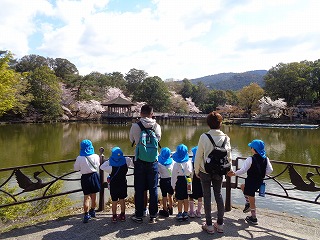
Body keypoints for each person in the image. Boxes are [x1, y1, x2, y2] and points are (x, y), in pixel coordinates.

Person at [194, 111, 232, 234]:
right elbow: (228, 156)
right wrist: (229, 169)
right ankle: (220, 224)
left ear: (208, 124)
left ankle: (209, 225)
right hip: (220, 171)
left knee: (207, 196)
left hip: (205, 171)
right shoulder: (226, 137)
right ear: (220, 123)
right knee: (219, 195)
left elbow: (199, 156)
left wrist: (196, 170)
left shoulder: (204, 137)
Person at [227, 139, 273, 225]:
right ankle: (248, 203)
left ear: (254, 149)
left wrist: (234, 174)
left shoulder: (250, 159)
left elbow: (243, 170)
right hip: (259, 181)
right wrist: (262, 173)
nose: (250, 148)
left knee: (252, 199)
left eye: (251, 147)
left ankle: (254, 217)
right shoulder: (266, 159)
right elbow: (270, 170)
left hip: (251, 181)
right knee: (242, 186)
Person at [129, 104, 161, 224]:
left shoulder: (135, 126)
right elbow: (158, 140)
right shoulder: (157, 126)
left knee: (139, 188)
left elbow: (132, 140)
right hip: (153, 161)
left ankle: (139, 214)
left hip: (139, 161)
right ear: (152, 114)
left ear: (141, 113)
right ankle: (153, 215)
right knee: (153, 188)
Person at [100, 147, 133, 223]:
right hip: (123, 183)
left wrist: (110, 160)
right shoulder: (126, 162)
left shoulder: (111, 167)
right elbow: (129, 159)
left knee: (114, 201)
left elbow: (101, 167)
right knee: (122, 199)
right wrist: (120, 157)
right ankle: (123, 215)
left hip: (114, 185)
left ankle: (114, 216)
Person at [74, 139, 101, 223]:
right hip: (94, 176)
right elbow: (98, 165)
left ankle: (86, 215)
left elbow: (76, 168)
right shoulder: (96, 156)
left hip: (85, 178)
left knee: (86, 197)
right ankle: (93, 211)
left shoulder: (79, 158)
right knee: (94, 196)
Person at [171, 144, 193, 222]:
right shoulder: (188, 161)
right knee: (186, 197)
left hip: (179, 181)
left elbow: (173, 175)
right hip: (187, 180)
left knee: (179, 198)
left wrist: (173, 185)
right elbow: (190, 171)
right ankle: (186, 213)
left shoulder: (176, 163)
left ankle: (180, 213)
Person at [158, 147, 174, 217]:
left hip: (163, 180)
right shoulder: (172, 162)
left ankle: (165, 210)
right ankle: (171, 208)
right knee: (170, 195)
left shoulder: (159, 164)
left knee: (164, 196)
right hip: (171, 180)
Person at [188, 146, 203, 218]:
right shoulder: (202, 164)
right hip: (200, 182)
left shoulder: (191, 163)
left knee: (191, 196)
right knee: (200, 196)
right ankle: (199, 212)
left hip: (192, 182)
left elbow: (189, 173)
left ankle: (191, 212)